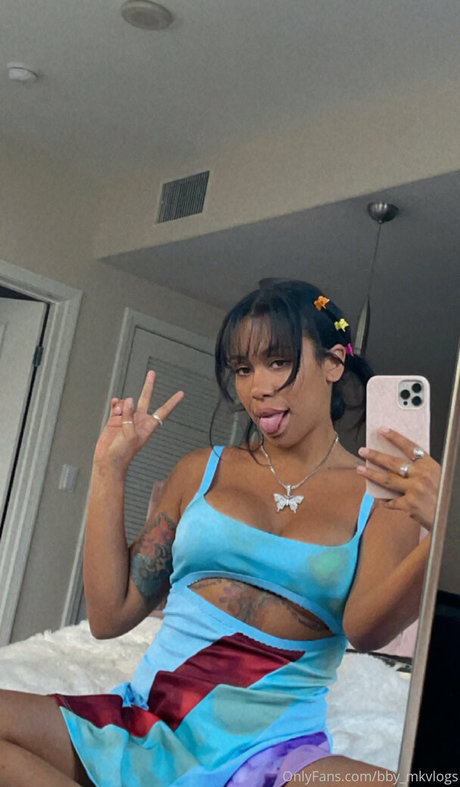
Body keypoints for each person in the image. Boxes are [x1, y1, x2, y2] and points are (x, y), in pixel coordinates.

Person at [0, 280, 441, 786]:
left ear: (334, 363)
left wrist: (442, 533)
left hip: (274, 754)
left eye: (278, 362)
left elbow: (367, 630)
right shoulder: (200, 471)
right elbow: (109, 615)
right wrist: (109, 471)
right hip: (146, 724)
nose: (258, 388)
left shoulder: (383, 496)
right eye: (243, 368)